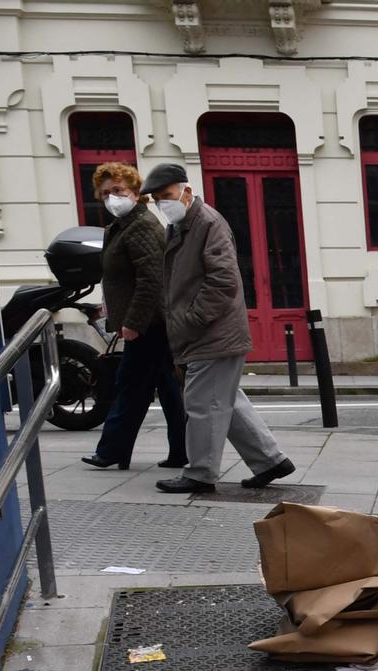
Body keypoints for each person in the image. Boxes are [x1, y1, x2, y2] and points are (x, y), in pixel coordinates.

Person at [144, 163, 295, 495]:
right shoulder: (183, 224)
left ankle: (199, 473)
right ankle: (271, 461)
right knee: (224, 400)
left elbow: (223, 280)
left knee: (203, 404)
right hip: (204, 332)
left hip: (211, 332)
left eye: (166, 196)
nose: (161, 204)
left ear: (186, 190)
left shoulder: (208, 222)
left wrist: (192, 319)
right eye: (157, 199)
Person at [80, 162, 188, 470]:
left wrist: (132, 322)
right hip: (148, 323)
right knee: (165, 389)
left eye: (118, 190)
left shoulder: (140, 225)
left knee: (131, 384)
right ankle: (181, 451)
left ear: (135, 192)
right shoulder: (123, 225)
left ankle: (113, 450)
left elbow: (152, 279)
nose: (112, 197)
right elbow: (121, 277)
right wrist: (110, 307)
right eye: (105, 193)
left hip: (150, 324)